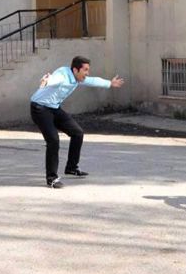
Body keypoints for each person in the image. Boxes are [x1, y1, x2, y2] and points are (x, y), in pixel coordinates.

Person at [30, 56, 124, 188]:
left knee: (77, 133)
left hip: (54, 108)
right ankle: (52, 178)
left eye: (88, 70)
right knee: (53, 140)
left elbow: (92, 80)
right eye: (85, 70)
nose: (87, 73)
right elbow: (55, 79)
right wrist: (47, 80)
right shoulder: (63, 75)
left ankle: (71, 167)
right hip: (40, 109)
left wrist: (110, 83)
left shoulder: (77, 77)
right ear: (75, 70)